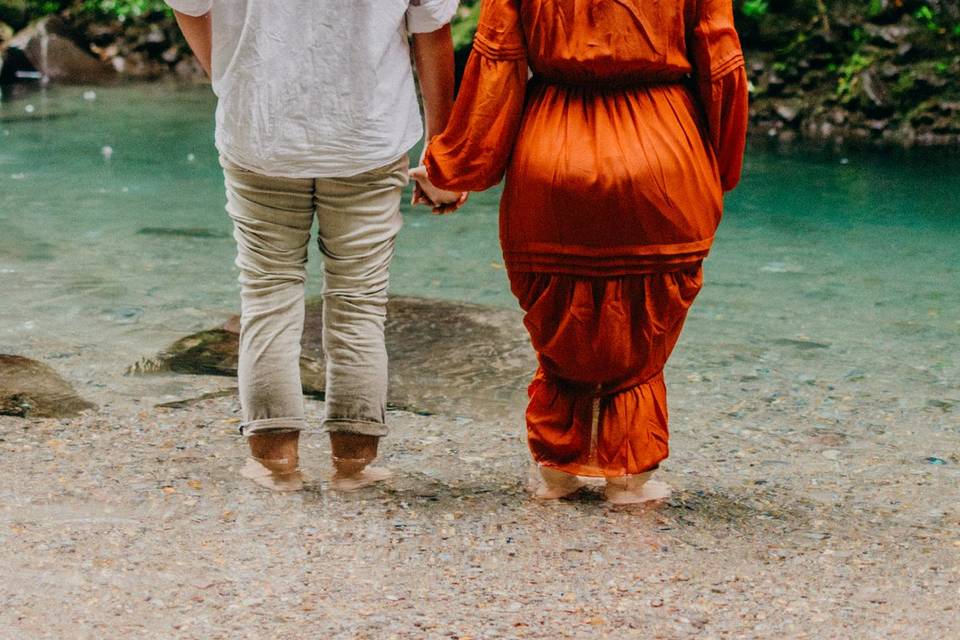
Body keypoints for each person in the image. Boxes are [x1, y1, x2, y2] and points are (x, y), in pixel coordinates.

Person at [411, 0, 748, 503]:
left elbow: (496, 66)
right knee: (645, 319)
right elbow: (721, 68)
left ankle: (557, 471)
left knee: (558, 312)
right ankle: (629, 478)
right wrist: (714, 168)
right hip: (663, 157)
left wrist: (451, 168)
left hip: (551, 155)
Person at [167, 0, 465, 491]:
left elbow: (187, 6)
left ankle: (275, 465)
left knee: (267, 295)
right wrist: (441, 147)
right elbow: (432, 31)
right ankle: (354, 467)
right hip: (367, 136)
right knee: (359, 303)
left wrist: (228, 78)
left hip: (259, 132)